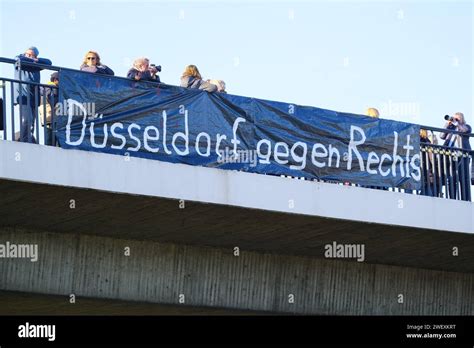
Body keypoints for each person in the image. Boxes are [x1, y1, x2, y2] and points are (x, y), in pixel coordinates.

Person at [14, 46, 52, 143]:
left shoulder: (36, 64)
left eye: (33, 55)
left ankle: (29, 139)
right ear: (24, 53)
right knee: (26, 119)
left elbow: (49, 62)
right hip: (23, 96)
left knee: (32, 122)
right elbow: (19, 59)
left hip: (34, 97)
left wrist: (35, 60)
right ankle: (24, 139)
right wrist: (34, 61)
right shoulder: (20, 59)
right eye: (28, 54)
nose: (30, 56)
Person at [440, 112, 472, 201]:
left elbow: (464, 130)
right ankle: (452, 199)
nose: (455, 120)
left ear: (462, 119)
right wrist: (448, 124)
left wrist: (457, 123)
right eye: (454, 118)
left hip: (463, 155)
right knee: (451, 178)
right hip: (450, 156)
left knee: (463, 178)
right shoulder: (451, 127)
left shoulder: (467, 126)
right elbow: (442, 136)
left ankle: (465, 200)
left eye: (457, 119)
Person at [39, 72, 59, 146]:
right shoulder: (52, 88)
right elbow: (53, 101)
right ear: (55, 80)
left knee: (49, 141)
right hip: (53, 117)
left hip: (47, 118)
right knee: (55, 141)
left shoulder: (44, 88)